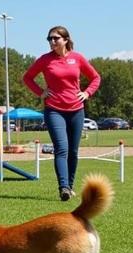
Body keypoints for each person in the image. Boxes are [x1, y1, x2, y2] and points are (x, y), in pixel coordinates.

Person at [22, 25, 101, 201]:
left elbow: (96, 78)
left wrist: (87, 93)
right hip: (54, 110)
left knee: (73, 151)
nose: (52, 41)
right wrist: (41, 92)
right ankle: (63, 187)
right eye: (49, 39)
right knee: (62, 149)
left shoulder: (77, 58)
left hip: (76, 110)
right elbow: (27, 78)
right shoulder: (44, 60)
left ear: (65, 40)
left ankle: (70, 186)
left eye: (55, 38)